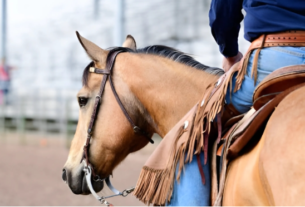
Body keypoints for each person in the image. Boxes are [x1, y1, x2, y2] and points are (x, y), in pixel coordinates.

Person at [209, 0, 305, 114]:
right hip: (275, 54)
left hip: (274, 58)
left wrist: (230, 54)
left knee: (215, 110)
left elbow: (222, 14)